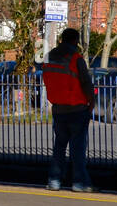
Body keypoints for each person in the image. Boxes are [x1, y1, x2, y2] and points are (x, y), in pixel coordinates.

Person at [40, 28, 96, 192]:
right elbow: (86, 83)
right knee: (77, 149)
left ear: (61, 40)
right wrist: (91, 102)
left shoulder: (48, 57)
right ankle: (79, 183)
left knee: (59, 147)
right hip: (77, 108)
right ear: (75, 41)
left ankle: (54, 181)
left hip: (58, 109)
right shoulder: (76, 58)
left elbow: (46, 77)